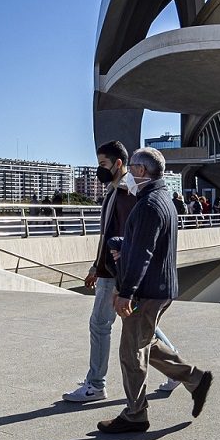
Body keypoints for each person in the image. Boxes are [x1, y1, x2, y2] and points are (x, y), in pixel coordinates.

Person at [98, 147, 214, 434]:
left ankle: (136, 414)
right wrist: (122, 244)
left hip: (147, 290)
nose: (128, 175)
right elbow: (145, 242)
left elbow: (143, 253)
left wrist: (126, 292)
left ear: (139, 171)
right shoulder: (163, 199)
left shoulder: (148, 204)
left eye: (132, 168)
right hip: (159, 287)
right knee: (144, 343)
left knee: (130, 352)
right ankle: (195, 379)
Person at [63, 141, 180, 404]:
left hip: (117, 272)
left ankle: (96, 384)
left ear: (119, 164)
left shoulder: (129, 191)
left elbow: (133, 239)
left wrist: (122, 282)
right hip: (109, 269)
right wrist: (96, 265)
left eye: (103, 164)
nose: (99, 170)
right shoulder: (115, 189)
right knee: (141, 326)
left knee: (101, 324)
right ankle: (176, 370)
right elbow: (107, 232)